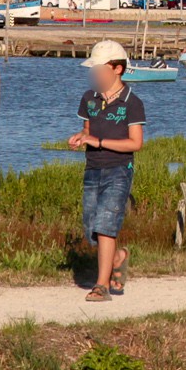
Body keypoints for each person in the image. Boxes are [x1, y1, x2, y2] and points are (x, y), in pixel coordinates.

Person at [68, 39, 145, 301]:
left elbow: (136, 143)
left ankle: (101, 287)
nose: (95, 75)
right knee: (92, 231)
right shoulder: (89, 98)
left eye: (100, 69)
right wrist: (81, 137)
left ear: (117, 69)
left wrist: (100, 142)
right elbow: (88, 130)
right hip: (93, 170)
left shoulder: (132, 102)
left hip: (119, 171)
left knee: (105, 227)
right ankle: (119, 257)